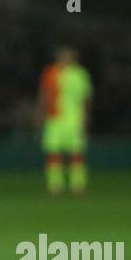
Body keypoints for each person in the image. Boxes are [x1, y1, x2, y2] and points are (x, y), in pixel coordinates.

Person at [38, 46, 92, 195]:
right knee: (53, 153)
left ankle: (78, 185)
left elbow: (85, 99)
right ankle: (55, 185)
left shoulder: (80, 74)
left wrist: (85, 118)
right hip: (54, 118)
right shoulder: (51, 73)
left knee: (77, 153)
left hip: (74, 119)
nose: (65, 59)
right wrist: (41, 114)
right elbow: (44, 96)